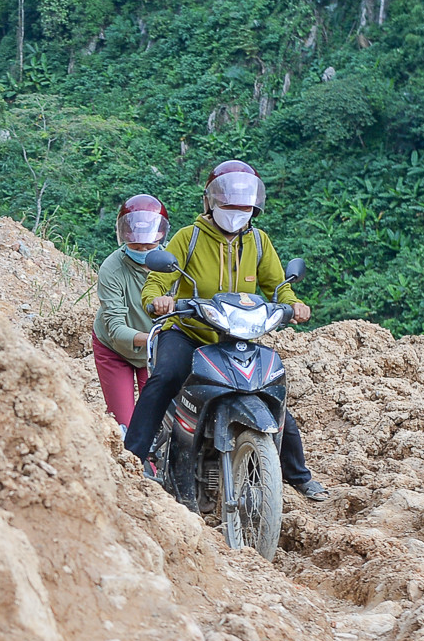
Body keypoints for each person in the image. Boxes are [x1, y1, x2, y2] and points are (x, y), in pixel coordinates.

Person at [122, 160, 330, 501]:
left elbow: (278, 286)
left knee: (269, 393)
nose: (236, 212)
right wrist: (157, 300)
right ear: (211, 203)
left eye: (244, 207)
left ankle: (298, 475)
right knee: (166, 377)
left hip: (237, 336)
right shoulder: (188, 238)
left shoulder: (259, 242)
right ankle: (133, 456)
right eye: (229, 205)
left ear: (254, 208)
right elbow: (159, 280)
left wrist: (294, 304)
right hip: (190, 331)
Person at [92, 195, 167, 429]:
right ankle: (128, 465)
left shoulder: (172, 264)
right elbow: (115, 329)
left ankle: (153, 466)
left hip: (155, 352)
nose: (143, 249)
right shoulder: (112, 268)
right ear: (124, 238)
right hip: (114, 349)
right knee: (124, 424)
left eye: (150, 245)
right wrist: (153, 339)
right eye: (136, 245)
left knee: (154, 421)